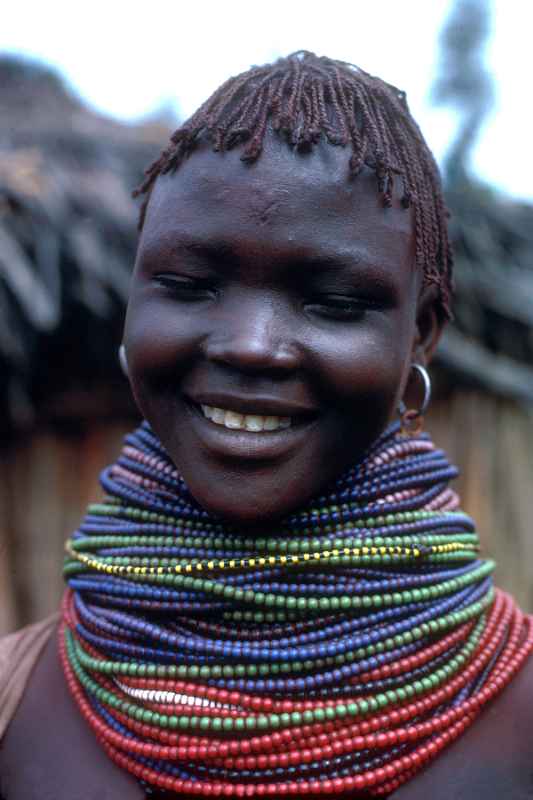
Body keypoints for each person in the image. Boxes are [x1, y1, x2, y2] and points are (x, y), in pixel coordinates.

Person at [1, 51, 532, 800]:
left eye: (333, 303)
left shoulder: (517, 715)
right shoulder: (15, 700)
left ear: (420, 335)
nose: (251, 345)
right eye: (188, 286)